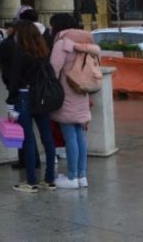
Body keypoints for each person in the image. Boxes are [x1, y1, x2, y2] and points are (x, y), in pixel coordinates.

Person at [0, 20, 56, 193]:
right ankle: (49, 179)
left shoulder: (19, 52)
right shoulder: (44, 52)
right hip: (42, 96)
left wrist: (11, 101)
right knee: (46, 137)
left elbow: (14, 79)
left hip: (24, 95)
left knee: (27, 138)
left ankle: (30, 181)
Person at [50, 13, 99, 189]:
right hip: (82, 93)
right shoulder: (88, 43)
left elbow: (53, 71)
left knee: (70, 135)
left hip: (66, 95)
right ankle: (82, 176)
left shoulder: (62, 44)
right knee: (80, 135)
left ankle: (72, 177)